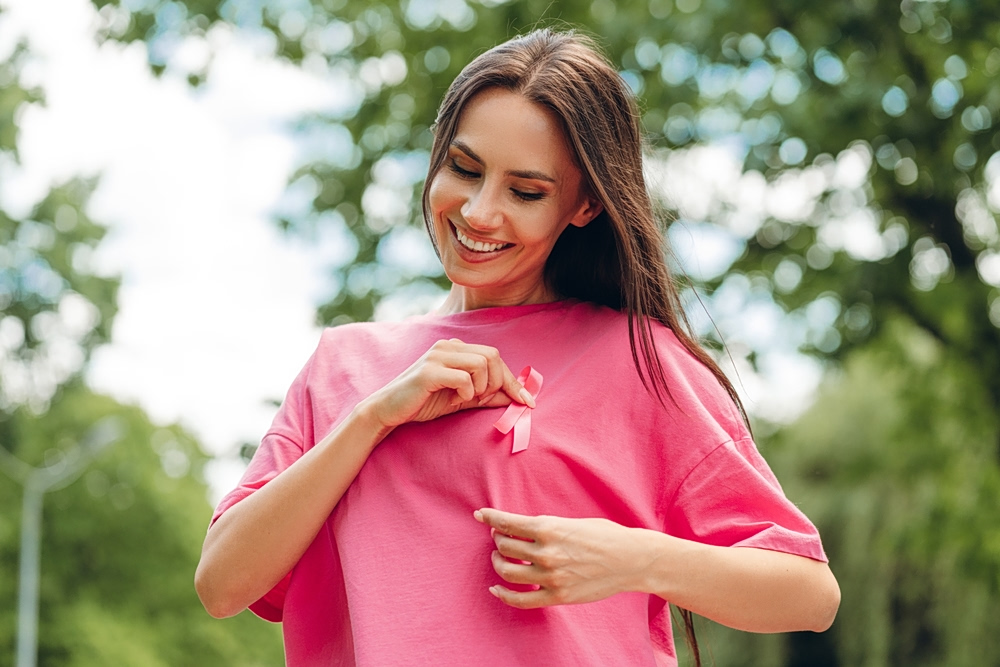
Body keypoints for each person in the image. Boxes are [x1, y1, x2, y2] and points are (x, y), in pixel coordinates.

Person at [195, 28, 840, 666]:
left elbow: (808, 593)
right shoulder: (343, 366)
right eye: (464, 168)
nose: (479, 212)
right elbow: (223, 583)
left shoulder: (642, 360)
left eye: (525, 192)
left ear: (584, 204)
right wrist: (374, 417)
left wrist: (632, 559)